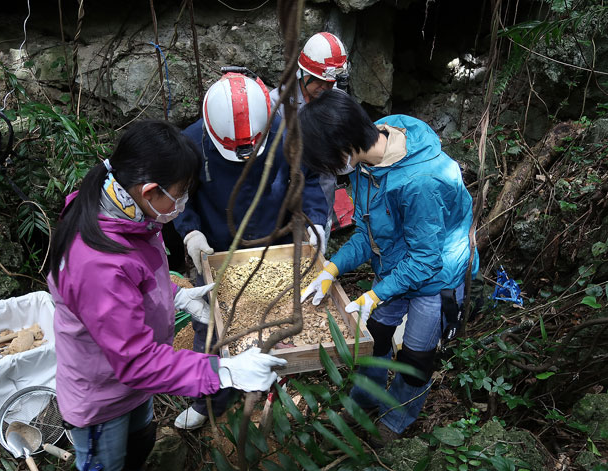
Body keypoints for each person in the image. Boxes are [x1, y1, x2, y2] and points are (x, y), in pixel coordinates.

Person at [47, 119, 287, 471]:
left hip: (132, 388)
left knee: (137, 450)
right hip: (102, 394)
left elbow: (128, 301)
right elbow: (135, 360)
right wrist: (224, 370)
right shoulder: (97, 260)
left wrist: (174, 300)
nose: (184, 201)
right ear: (149, 192)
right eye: (180, 194)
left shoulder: (132, 215)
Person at [299, 90, 479, 446]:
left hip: (435, 278)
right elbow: (369, 232)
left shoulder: (419, 184)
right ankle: (362, 402)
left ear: (345, 147)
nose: (334, 173)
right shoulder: (372, 151)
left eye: (330, 162)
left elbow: (427, 260)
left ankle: (395, 420)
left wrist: (377, 294)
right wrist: (332, 268)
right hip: (397, 264)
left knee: (415, 359)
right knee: (374, 339)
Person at [172, 72, 329, 430]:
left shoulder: (288, 134)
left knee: (278, 320)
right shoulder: (192, 143)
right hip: (216, 249)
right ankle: (209, 400)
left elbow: (309, 183)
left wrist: (316, 223)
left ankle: (277, 388)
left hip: (276, 242)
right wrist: (190, 232)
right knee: (209, 328)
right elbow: (178, 198)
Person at [269, 31, 350, 253]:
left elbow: (348, 152)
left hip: (320, 197)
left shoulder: (338, 101)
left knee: (315, 255)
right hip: (282, 198)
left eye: (330, 82)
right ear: (303, 74)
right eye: (320, 83)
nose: (325, 88)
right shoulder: (278, 104)